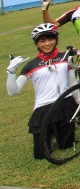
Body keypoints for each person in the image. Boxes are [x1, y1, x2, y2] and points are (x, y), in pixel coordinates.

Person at [6, 24, 75, 159]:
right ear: (36, 44)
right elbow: (12, 92)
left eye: (50, 39)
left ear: (57, 40)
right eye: (42, 41)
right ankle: (52, 134)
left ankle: (58, 133)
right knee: (41, 154)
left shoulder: (66, 58)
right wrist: (11, 71)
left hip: (65, 104)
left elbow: (73, 83)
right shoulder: (31, 65)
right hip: (43, 109)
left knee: (66, 145)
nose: (47, 43)